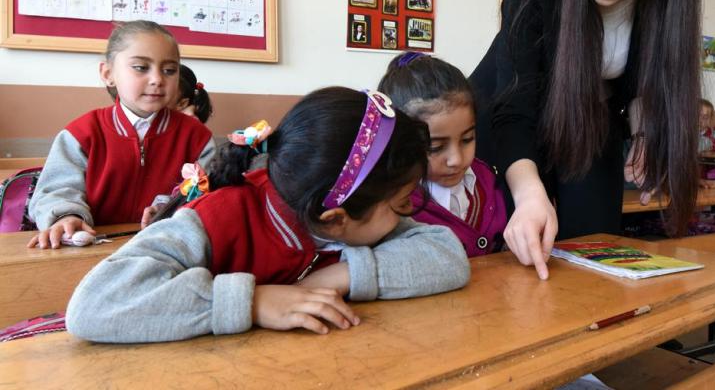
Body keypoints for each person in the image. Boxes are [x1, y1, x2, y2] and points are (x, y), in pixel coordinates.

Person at [66, 88, 470, 343]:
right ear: (335, 218)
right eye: (403, 203)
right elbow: (94, 306)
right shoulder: (216, 218)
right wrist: (253, 301)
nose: (407, 213)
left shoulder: (348, 212)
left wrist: (341, 275)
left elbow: (448, 256)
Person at [470, 0, 702, 279]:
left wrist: (645, 130)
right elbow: (514, 106)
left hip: (590, 120)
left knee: (597, 247)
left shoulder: (667, 3)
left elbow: (643, 78)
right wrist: (529, 192)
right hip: (508, 120)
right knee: (515, 254)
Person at [27, 21, 216, 249]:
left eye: (169, 70)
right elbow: (56, 190)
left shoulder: (197, 138)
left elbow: (211, 197)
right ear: (108, 74)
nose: (157, 79)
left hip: (167, 249)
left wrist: (169, 208)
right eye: (141, 67)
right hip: (90, 249)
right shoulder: (82, 133)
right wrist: (66, 216)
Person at [378, 52, 507, 257]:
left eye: (467, 139)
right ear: (397, 141)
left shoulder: (489, 179)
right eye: (436, 147)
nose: (457, 159)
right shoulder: (392, 206)